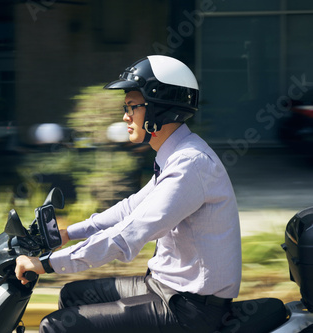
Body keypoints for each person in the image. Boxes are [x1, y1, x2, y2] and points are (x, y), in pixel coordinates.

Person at [15, 55, 242, 333]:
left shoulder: (191, 165)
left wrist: (48, 264)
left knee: (57, 326)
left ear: (159, 109)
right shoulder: (175, 157)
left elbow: (128, 235)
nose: (125, 116)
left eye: (133, 106)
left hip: (190, 309)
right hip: (164, 287)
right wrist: (69, 233)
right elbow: (130, 209)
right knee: (70, 295)